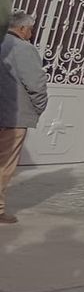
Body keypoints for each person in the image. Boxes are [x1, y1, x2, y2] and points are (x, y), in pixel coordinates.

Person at [0, 11, 47, 224]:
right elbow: (36, 84)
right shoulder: (23, 49)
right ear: (21, 29)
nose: (31, 33)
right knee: (4, 165)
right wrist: (38, 108)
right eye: (30, 29)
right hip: (12, 116)